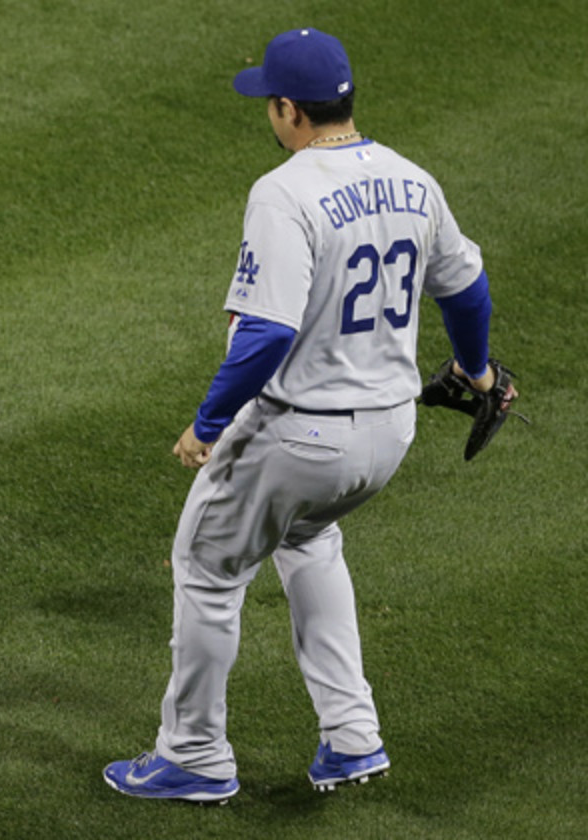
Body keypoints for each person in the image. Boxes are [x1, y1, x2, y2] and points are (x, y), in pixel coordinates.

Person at [104, 28, 505, 803]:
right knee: (309, 537)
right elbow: (467, 287)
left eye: (269, 103)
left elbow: (267, 332)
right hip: (388, 434)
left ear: (290, 110)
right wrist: (478, 371)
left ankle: (193, 755)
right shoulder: (413, 180)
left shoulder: (283, 190)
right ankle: (352, 738)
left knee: (207, 569)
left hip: (297, 433)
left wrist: (208, 424)